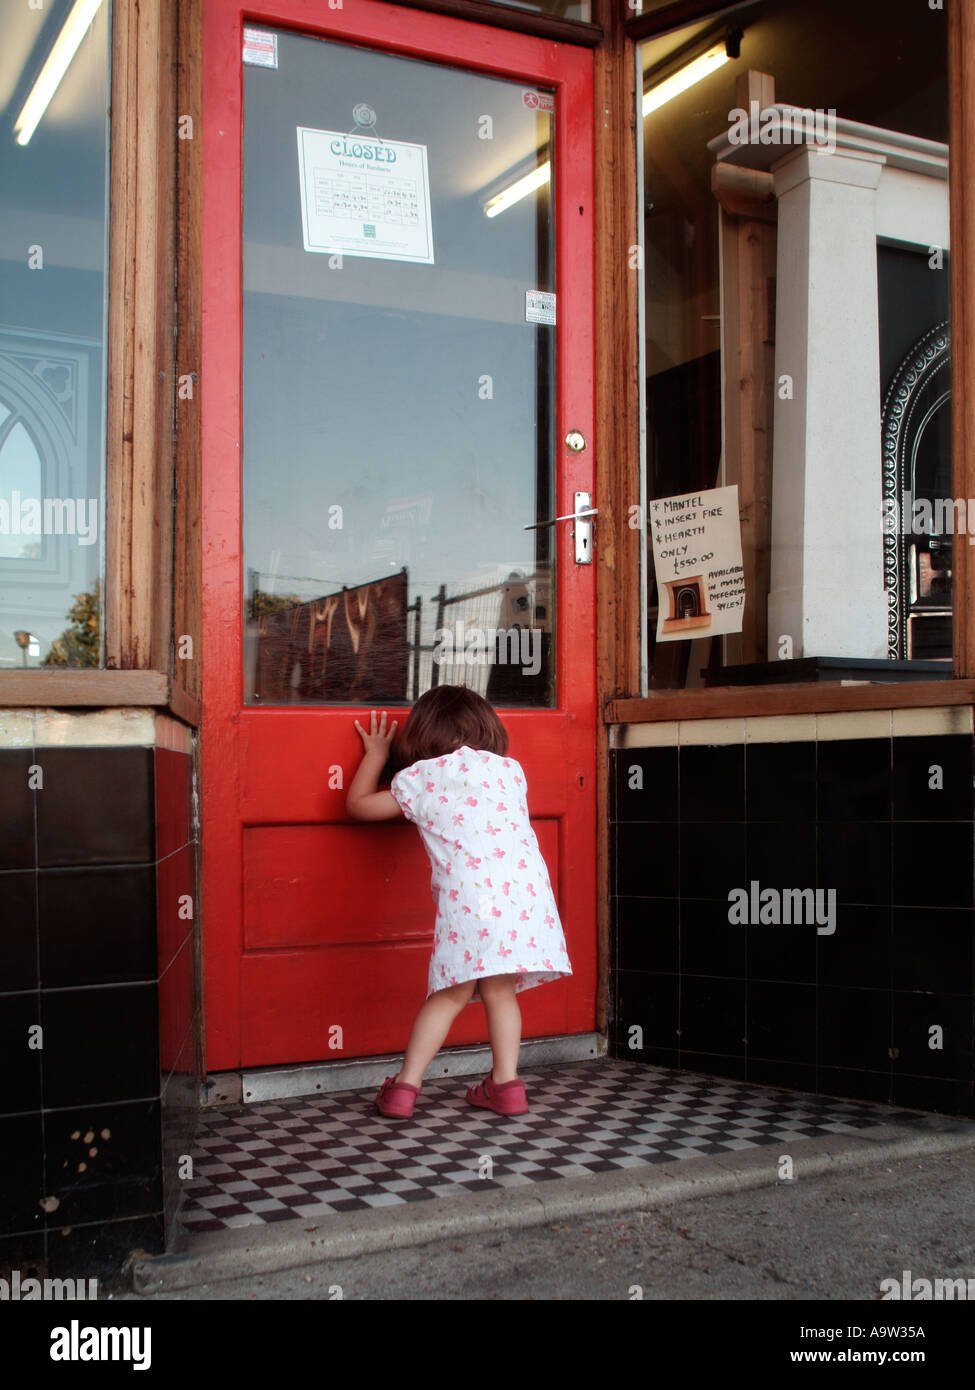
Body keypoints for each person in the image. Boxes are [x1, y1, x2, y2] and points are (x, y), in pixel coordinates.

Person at [346, 684, 572, 1120]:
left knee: (449, 994)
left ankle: (404, 1089)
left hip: (471, 904)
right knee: (501, 990)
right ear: (487, 729)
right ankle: (506, 1086)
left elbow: (358, 806)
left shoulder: (421, 778)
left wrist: (377, 754)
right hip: (524, 898)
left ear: (423, 736)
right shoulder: (511, 772)